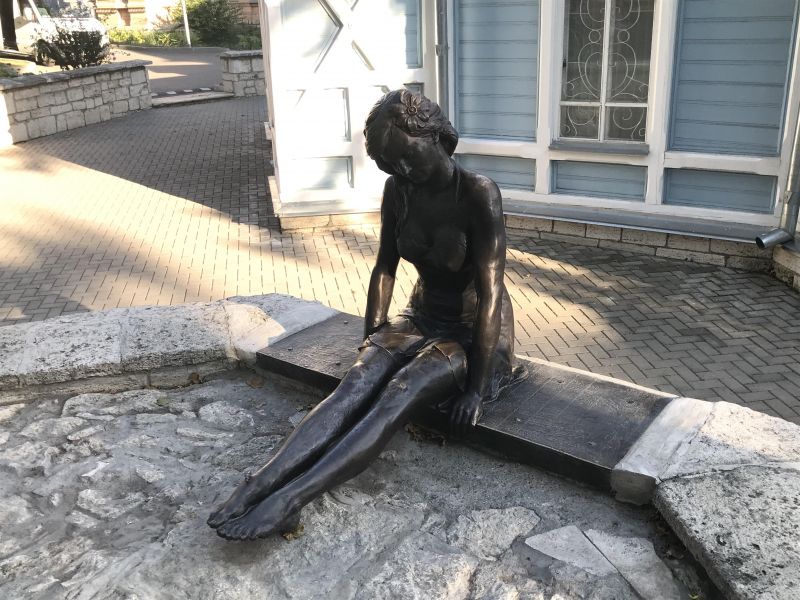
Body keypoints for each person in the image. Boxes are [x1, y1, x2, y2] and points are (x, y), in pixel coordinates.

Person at [208, 89, 519, 541]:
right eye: (392, 164)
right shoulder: (399, 190)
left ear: (434, 137)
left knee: (399, 392)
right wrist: (372, 336)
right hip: (421, 314)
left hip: (476, 331)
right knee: (355, 383)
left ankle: (290, 500)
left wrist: (475, 390)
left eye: (408, 157)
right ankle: (258, 484)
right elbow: (384, 267)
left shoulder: (478, 193)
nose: (403, 170)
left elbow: (491, 294)